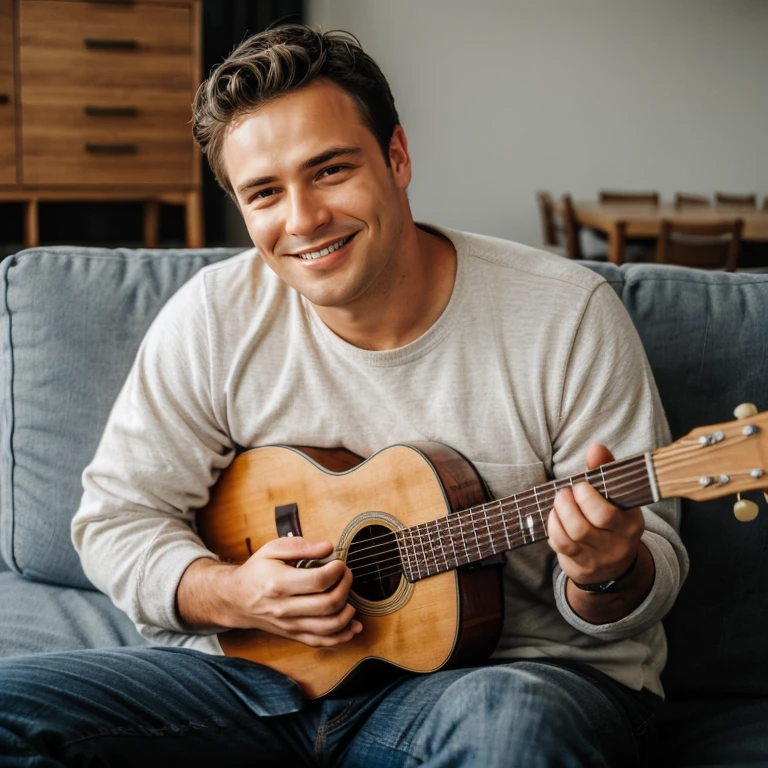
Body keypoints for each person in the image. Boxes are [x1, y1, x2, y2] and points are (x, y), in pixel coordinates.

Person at [0, 24, 687, 767]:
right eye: (265, 192)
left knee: (512, 723)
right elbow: (116, 520)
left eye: (328, 171)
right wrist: (234, 594)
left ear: (397, 157)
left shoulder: (565, 314)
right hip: (255, 683)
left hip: (502, 683)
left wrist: (604, 567)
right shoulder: (213, 318)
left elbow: (643, 576)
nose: (302, 220)